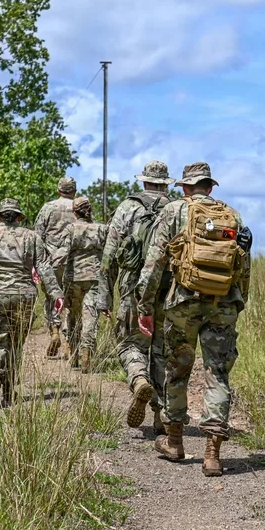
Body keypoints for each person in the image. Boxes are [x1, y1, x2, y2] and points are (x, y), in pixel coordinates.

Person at [136, 162, 251, 477]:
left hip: (183, 303)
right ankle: (212, 454)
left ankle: (174, 442)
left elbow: (153, 262)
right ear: (210, 187)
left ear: (185, 187)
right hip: (223, 303)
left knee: (177, 370)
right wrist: (239, 300)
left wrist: (145, 306)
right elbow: (244, 263)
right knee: (218, 373)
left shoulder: (174, 212)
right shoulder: (232, 215)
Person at [97, 161, 177, 433]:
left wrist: (104, 298)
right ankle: (161, 416)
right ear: (166, 183)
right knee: (162, 351)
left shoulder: (127, 208)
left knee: (130, 344)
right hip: (169, 288)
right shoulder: (176, 209)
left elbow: (108, 256)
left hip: (133, 286)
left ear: (143, 182)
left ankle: (139, 378)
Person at [0, 198, 64, 408]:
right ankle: (9, 391)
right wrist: (55, 294)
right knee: (16, 342)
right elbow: (45, 268)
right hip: (23, 295)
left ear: (1, 216)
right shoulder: (32, 237)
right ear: (19, 217)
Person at [60, 197, 107, 371]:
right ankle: (87, 356)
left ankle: (73, 356)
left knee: (73, 316)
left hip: (73, 279)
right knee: (90, 318)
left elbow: (62, 253)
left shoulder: (70, 229)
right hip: (94, 278)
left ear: (74, 212)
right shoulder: (101, 229)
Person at [35, 176, 79, 358]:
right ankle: (70, 342)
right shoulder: (80, 206)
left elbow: (37, 236)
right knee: (72, 300)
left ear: (58, 190)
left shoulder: (48, 207)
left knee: (52, 297)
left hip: (51, 262)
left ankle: (54, 331)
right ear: (74, 191)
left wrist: (36, 263)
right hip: (74, 262)